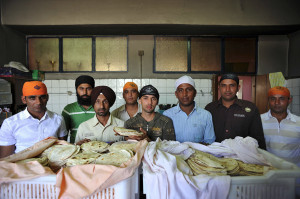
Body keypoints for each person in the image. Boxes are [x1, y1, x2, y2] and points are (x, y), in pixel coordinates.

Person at [0, 81, 68, 158]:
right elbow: (6, 158)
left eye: (42, 97)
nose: (38, 102)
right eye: (32, 98)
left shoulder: (58, 119)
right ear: (24, 99)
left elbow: (63, 148)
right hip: (23, 166)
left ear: (47, 98)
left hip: (52, 166)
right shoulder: (10, 123)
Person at [205, 73, 266, 149]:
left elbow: (258, 137)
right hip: (215, 155)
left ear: (238, 87)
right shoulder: (210, 108)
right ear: (219, 87)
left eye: (232, 85)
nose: (227, 89)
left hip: (242, 156)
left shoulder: (250, 108)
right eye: (223, 85)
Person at [163, 75, 215, 144]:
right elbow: (164, 143)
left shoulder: (206, 115)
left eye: (189, 90)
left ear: (195, 93)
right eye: (181, 90)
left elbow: (209, 142)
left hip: (199, 154)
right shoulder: (167, 115)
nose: (185, 94)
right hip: (173, 155)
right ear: (176, 94)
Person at [261, 86, 300, 166]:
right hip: (268, 174)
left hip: (293, 175)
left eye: (282, 99)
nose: (277, 102)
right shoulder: (258, 121)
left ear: (289, 100)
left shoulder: (298, 122)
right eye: (273, 99)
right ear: (268, 100)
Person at [62, 75, 95, 143]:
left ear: (93, 90)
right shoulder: (68, 109)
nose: (85, 92)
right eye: (81, 89)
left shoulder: (100, 109)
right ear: (76, 90)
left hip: (96, 148)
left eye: (88, 89)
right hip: (75, 150)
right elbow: (63, 136)